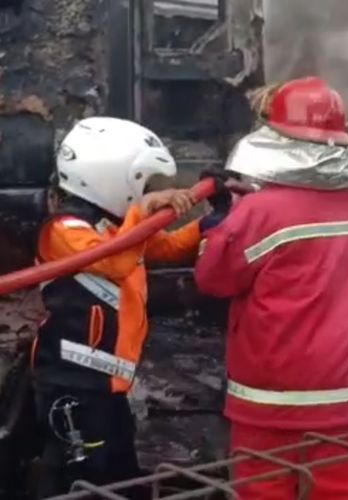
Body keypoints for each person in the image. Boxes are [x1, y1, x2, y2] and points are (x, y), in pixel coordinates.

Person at [194, 77, 348, 499]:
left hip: (271, 403)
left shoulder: (259, 212)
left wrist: (222, 220)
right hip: (347, 399)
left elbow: (212, 279)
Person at [33, 117, 205, 497]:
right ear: (111, 178)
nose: (146, 190)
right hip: (73, 387)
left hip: (108, 388)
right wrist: (142, 212)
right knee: (84, 482)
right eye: (142, 183)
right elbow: (114, 261)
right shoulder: (63, 230)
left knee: (121, 477)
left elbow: (168, 247)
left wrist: (212, 222)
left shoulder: (115, 228)